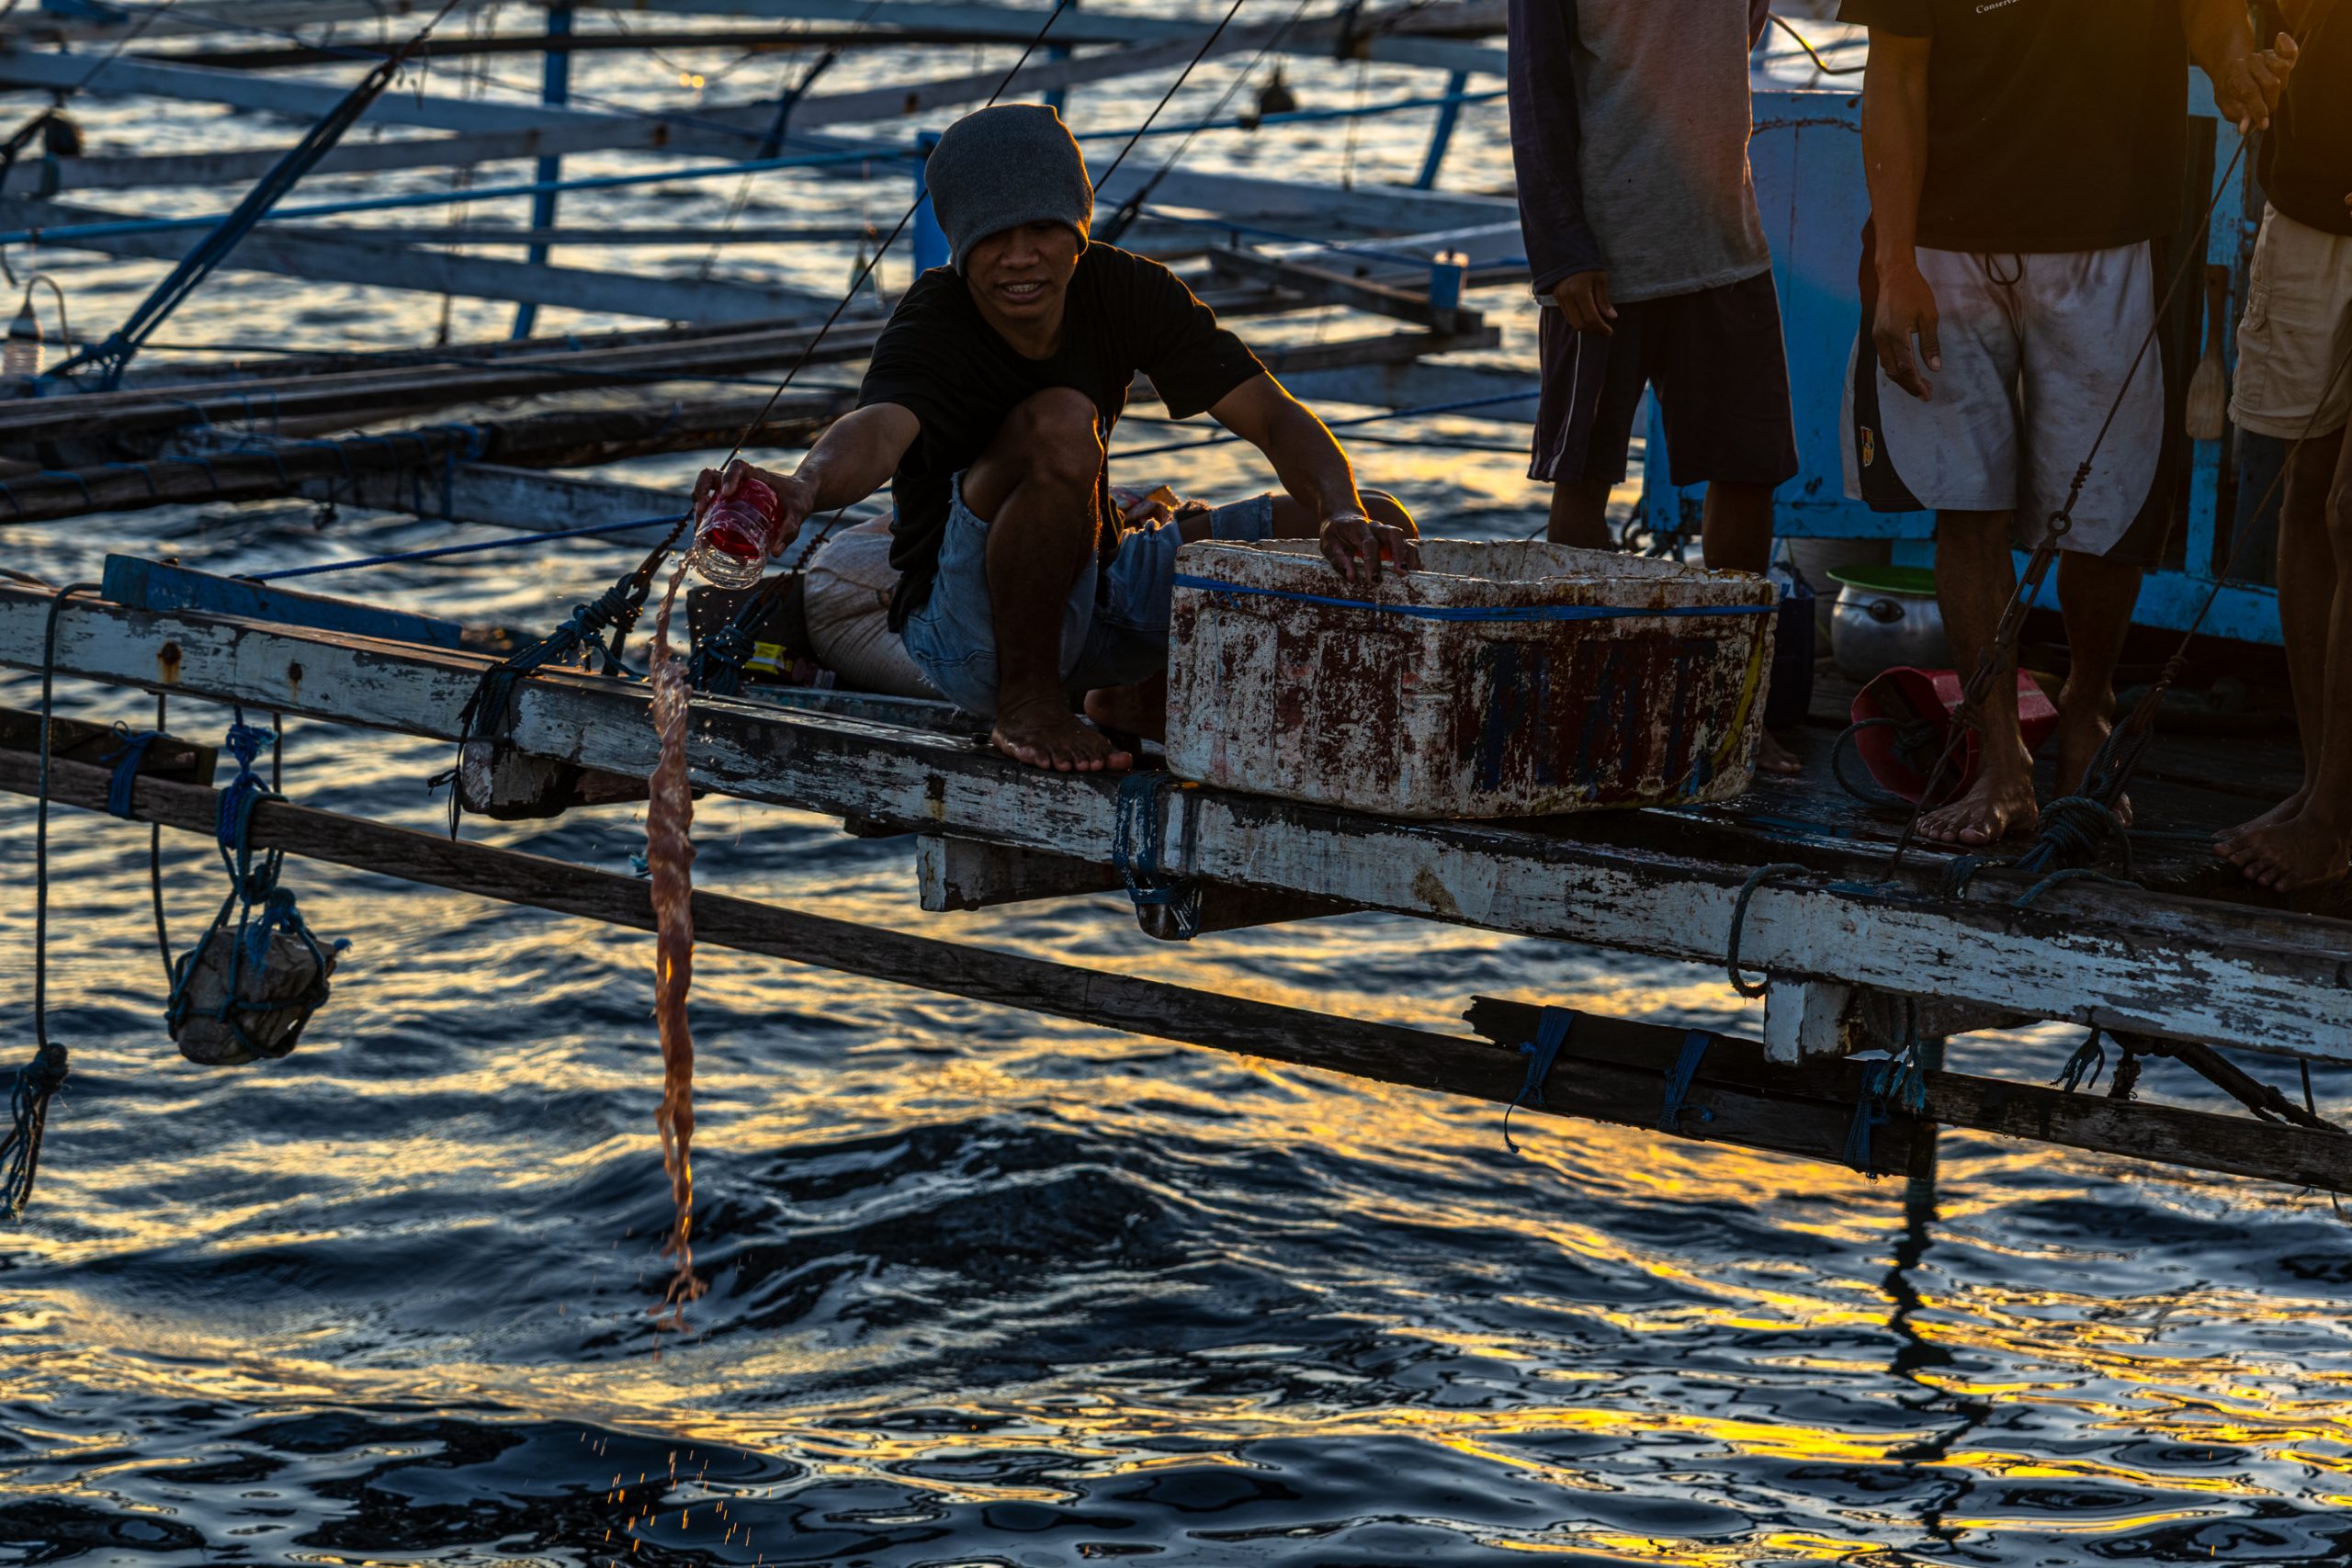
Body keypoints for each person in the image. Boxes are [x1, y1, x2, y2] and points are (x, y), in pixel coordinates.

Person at [693, 104, 1418, 773]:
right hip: (973, 636)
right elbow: (879, 430)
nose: (1019, 258)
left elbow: (1272, 415)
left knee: (1382, 521)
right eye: (993, 238)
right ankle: (1029, 704)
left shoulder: (1127, 288)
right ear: (960, 245)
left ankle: (1129, 698)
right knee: (1065, 423)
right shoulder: (932, 322)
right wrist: (805, 487)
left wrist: (1337, 510)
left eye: (1041, 230)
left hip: (1098, 590)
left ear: (1078, 231)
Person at [1839, 0, 2294, 845]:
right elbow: (1894, 69)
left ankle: (2087, 709)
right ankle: (2000, 757)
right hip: (1946, 237)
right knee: (1965, 506)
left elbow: (2210, 12)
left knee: (2106, 516)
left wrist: (2236, 68)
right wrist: (1893, 260)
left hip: (2114, 233)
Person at [1506, 0, 1804, 773]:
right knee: (1583, 480)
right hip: (1601, 255)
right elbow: (1534, 93)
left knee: (1748, 469)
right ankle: (1583, 710)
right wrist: (1561, 250)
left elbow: (1745, 26)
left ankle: (1730, 712)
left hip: (1725, 239)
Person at [2219, 0, 2352, 892]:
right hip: (2306, 200)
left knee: (2351, 510)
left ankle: (2335, 813)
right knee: (2305, 497)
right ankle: (2318, 791)